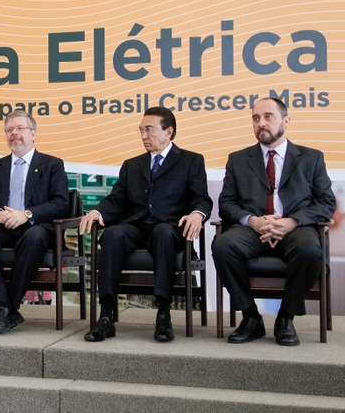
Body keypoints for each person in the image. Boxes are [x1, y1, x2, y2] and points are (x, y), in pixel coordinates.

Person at [78, 107, 212, 343]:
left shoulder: (191, 161)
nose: (143, 136)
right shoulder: (132, 165)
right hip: (136, 226)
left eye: (149, 130)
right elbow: (116, 199)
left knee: (163, 233)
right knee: (112, 234)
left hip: (167, 226)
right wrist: (97, 211)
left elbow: (201, 198)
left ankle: (163, 315)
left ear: (168, 131)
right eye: (140, 131)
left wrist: (197, 215)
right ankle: (106, 315)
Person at [212, 97, 335, 346]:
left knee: (311, 251)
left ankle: (285, 317)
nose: (261, 123)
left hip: (295, 229)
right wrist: (253, 221)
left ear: (286, 121)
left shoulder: (311, 158)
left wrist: (292, 221)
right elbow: (226, 203)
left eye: (268, 117)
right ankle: (250, 317)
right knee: (223, 246)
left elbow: (326, 203)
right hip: (253, 230)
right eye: (256, 118)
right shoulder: (238, 160)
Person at [0, 109, 69, 336]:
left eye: (20, 128)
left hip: (35, 227)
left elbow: (61, 203)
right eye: (9, 130)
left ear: (33, 133)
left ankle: (7, 307)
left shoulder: (52, 164)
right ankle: (5, 306)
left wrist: (28, 214)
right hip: (3, 226)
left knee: (34, 237)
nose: (15, 134)